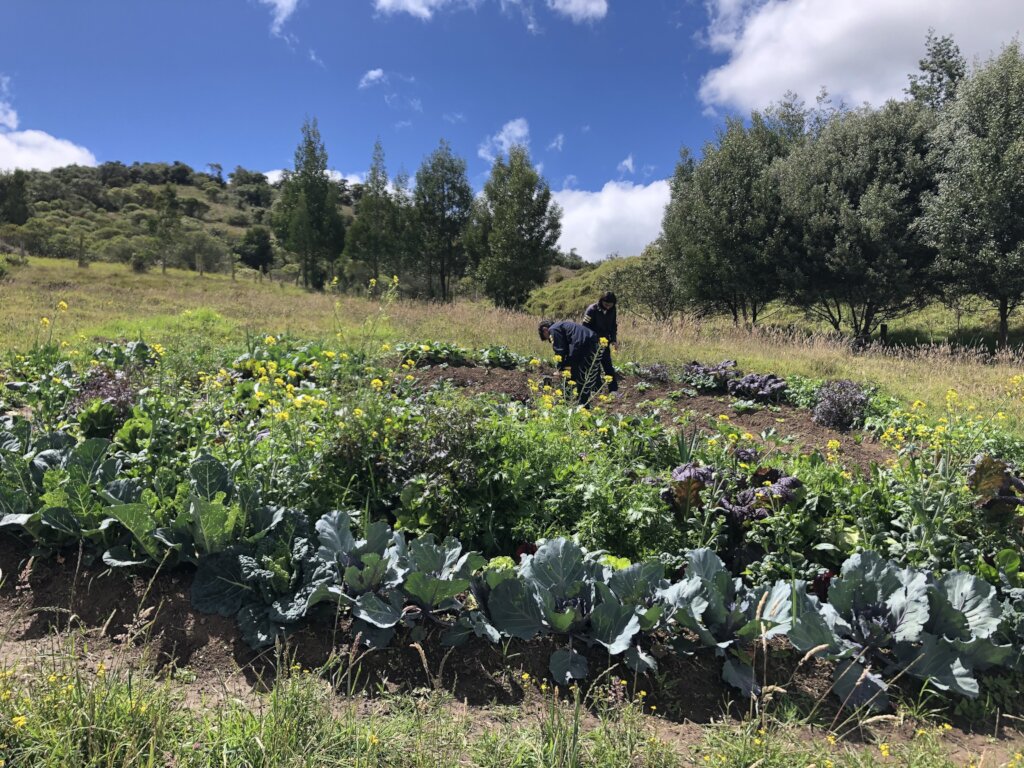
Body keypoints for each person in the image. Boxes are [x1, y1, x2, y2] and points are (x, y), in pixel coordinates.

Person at [538, 319, 602, 403]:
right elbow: (567, 348)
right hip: (593, 340)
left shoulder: (553, 329)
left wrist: (560, 369)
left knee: (573, 372)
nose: (548, 338)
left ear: (545, 329)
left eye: (546, 336)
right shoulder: (563, 326)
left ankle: (569, 400)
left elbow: (560, 349)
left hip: (579, 344)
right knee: (588, 370)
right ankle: (591, 395)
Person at [582, 291, 618, 392]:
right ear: (601, 301)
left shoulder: (613, 309)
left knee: (608, 365)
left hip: (605, 341)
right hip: (592, 342)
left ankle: (613, 390)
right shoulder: (592, 310)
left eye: (610, 305)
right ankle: (597, 389)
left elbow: (613, 326)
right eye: (606, 304)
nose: (608, 307)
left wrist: (614, 340)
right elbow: (585, 327)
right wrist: (593, 340)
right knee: (595, 366)